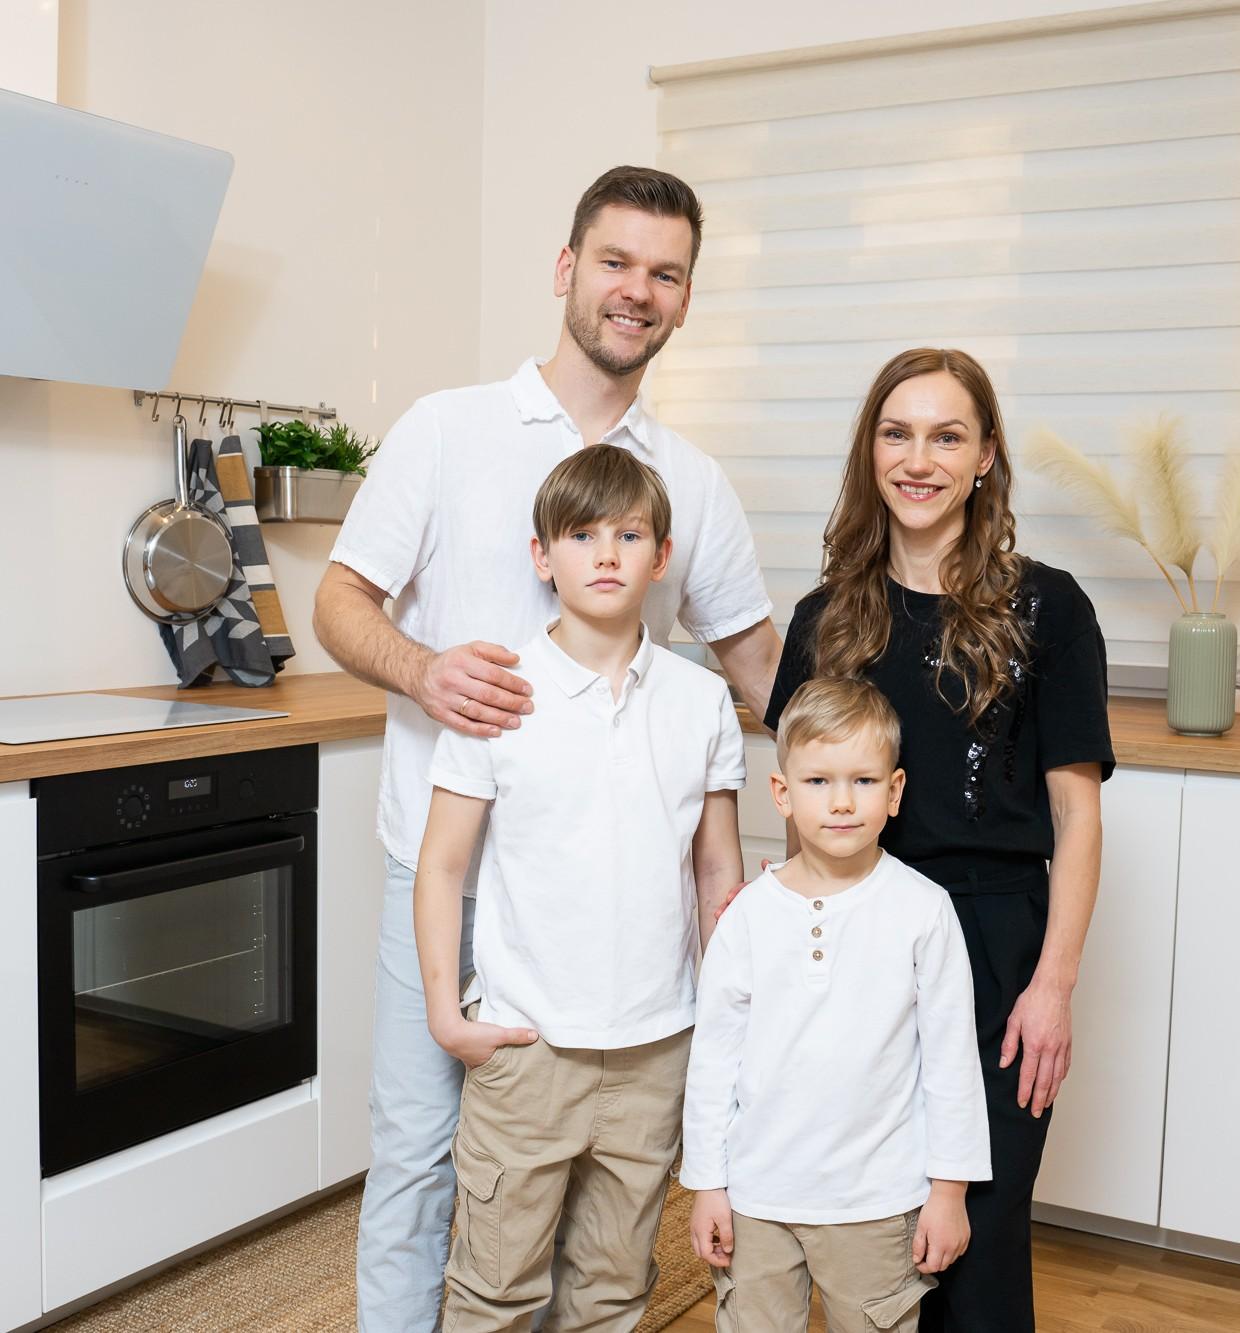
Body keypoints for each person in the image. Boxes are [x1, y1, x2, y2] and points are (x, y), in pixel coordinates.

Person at [312, 165, 782, 1333]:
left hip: (609, 908)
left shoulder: (695, 485)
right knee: (420, 1155)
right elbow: (338, 602)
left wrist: (886, 754)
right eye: (616, 263)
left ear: (684, 298)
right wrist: (423, 670)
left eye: (665, 274)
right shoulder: (446, 428)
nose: (638, 291)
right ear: (566, 270)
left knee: (604, 1198)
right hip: (448, 870)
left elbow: (763, 672)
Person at [763, 348, 1114, 1332]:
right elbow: (795, 793)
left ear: (984, 457)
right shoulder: (823, 618)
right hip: (855, 938)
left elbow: (1077, 814)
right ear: (870, 451)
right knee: (873, 1233)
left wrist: (1052, 987)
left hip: (995, 946)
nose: (919, 458)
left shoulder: (1049, 608)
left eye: (947, 435)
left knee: (982, 1231)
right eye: (897, 432)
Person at [417, 444, 746, 1330]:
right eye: (582, 533)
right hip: (529, 1049)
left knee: (611, 1288)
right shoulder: (499, 693)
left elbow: (717, 868)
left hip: (656, 1049)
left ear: (660, 555)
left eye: (629, 533)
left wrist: (727, 1013)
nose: (606, 553)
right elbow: (442, 863)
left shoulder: (700, 701)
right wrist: (449, 1013)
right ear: (541, 555)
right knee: (494, 1289)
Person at [683, 677, 991, 1333]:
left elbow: (950, 1065)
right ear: (782, 794)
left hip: (876, 1204)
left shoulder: (922, 911)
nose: (842, 801)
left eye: (863, 780)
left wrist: (949, 1192)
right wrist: (707, 1183)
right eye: (818, 781)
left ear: (895, 790)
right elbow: (712, 1062)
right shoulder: (745, 918)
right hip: (756, 1200)